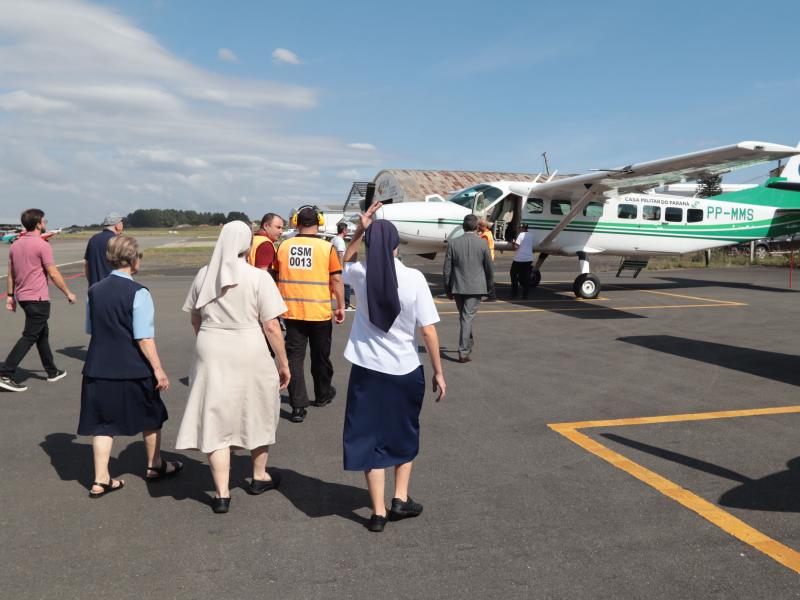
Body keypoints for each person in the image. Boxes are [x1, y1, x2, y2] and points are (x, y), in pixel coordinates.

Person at [341, 202, 446, 532]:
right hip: (404, 369)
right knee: (404, 431)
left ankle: (377, 512)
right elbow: (428, 330)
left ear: (372, 245)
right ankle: (400, 497)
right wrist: (439, 372)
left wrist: (360, 229)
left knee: (370, 437)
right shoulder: (414, 278)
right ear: (397, 246)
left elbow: (347, 260)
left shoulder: (361, 275)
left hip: (368, 371)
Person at [176, 221, 290, 514]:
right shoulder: (258, 277)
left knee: (214, 414)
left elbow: (195, 318)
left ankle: (222, 493)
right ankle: (259, 475)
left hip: (212, 345)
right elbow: (271, 325)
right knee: (258, 407)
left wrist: (207, 341)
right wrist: (284, 361)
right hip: (249, 345)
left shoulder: (204, 274)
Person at [78, 235, 181, 497]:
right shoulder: (139, 292)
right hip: (133, 367)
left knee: (102, 424)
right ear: (134, 259)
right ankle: (154, 464)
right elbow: (144, 337)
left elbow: (92, 329)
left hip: (98, 366)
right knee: (152, 416)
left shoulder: (94, 291)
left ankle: (101, 479)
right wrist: (158, 369)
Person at [275, 206, 345, 424]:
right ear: (320, 222)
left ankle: (297, 407)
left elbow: (276, 276)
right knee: (320, 356)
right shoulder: (327, 248)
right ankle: (322, 394)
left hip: (292, 312)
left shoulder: (284, 246)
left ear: (296, 222)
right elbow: (336, 280)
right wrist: (341, 305)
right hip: (320, 311)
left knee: (294, 360)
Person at [1, 209, 77, 392]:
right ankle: (5, 373)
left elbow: (11, 274)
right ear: (38, 224)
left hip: (24, 298)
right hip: (38, 299)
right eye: (44, 221)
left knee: (41, 334)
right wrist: (68, 292)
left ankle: (52, 371)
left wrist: (10, 296)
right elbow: (53, 272)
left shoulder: (16, 245)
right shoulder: (42, 245)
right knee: (30, 335)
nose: (45, 223)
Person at [442, 214, 493, 364]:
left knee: (464, 317)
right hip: (476, 287)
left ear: (463, 227)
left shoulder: (453, 243)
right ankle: (463, 352)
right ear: (477, 227)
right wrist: (490, 287)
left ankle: (467, 344)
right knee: (466, 318)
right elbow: (489, 268)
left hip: (458, 286)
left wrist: (447, 288)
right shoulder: (482, 244)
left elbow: (447, 269)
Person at [84, 212, 124, 287]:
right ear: (117, 225)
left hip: (94, 288)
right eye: (122, 223)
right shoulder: (117, 241)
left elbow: (86, 265)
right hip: (112, 288)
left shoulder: (93, 239)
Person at [248, 212, 285, 278]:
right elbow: (263, 277)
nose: (281, 232)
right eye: (278, 227)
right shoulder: (265, 244)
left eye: (282, 228)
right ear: (266, 226)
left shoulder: (254, 239)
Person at [331, 221, 354, 310]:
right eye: (347, 230)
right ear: (344, 230)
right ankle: (346, 304)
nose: (347, 231)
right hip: (339, 266)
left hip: (333, 265)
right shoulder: (340, 241)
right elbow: (340, 254)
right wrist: (341, 268)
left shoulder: (334, 239)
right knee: (346, 285)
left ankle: (342, 303)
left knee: (339, 285)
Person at [510, 223, 535, 299]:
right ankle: (525, 295)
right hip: (529, 259)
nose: (518, 228)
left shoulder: (521, 235)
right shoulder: (531, 235)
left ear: (522, 228)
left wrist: (513, 242)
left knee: (513, 274)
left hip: (519, 259)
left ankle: (514, 293)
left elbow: (516, 247)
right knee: (526, 277)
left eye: (519, 227)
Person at [477, 218, 497, 302]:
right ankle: (488, 294)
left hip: (487, 258)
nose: (477, 226)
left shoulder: (485, 235)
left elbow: (482, 247)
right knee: (487, 277)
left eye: (478, 225)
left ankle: (491, 295)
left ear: (482, 226)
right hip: (489, 257)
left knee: (488, 277)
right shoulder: (488, 232)